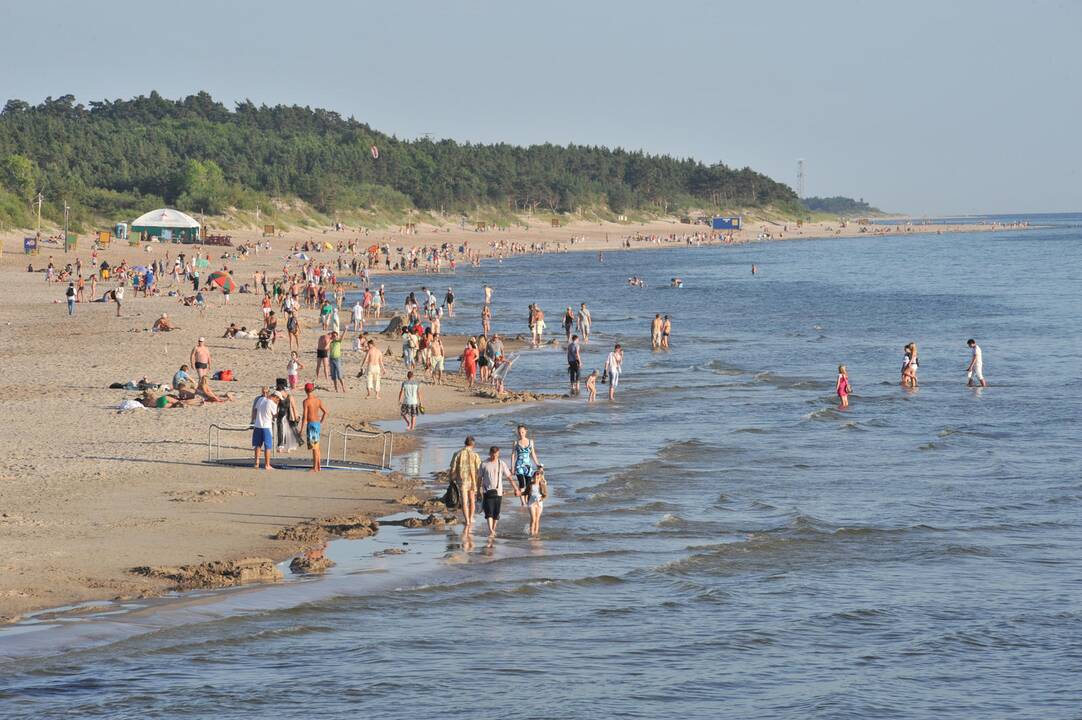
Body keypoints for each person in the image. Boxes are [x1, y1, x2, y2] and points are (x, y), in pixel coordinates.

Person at [479, 446, 518, 538]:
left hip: (499, 492)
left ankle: (493, 530)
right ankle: (491, 531)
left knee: (496, 514)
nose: (494, 457)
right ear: (489, 454)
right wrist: (477, 491)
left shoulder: (502, 463)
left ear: (498, 454)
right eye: (493, 455)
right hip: (487, 491)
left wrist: (516, 488)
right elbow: (479, 478)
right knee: (488, 512)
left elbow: (509, 477)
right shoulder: (484, 464)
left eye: (496, 455)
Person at [449, 436, 482, 533]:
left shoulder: (457, 454)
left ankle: (467, 520)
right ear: (473, 445)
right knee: (472, 500)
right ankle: (471, 518)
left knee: (464, 501)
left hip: (462, 480)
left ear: (465, 443)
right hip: (472, 480)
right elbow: (479, 469)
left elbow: (453, 468)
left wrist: (451, 479)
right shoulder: (475, 455)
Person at [301, 382, 328, 471]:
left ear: (305, 390)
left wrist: (301, 430)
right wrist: (321, 422)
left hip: (311, 425)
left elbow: (304, 417)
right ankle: (318, 466)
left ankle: (315, 467)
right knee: (317, 447)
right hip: (317, 424)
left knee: (314, 448)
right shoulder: (318, 400)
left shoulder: (306, 402)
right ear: (313, 390)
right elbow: (325, 412)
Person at [512, 424, 540, 507]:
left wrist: (537, 464)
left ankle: (527, 500)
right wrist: (512, 467)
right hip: (519, 465)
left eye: (522, 432)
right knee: (521, 483)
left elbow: (533, 454)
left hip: (528, 466)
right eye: (519, 432)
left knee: (528, 484)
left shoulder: (531, 442)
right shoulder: (516, 442)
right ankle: (523, 502)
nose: (521, 433)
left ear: (526, 431)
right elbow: (513, 455)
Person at [251, 387, 278, 470]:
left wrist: (254, 419)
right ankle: (267, 464)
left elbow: (255, 411)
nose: (265, 393)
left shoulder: (260, 400)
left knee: (258, 445)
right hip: (265, 426)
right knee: (267, 446)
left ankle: (257, 463)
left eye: (266, 392)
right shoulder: (271, 403)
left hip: (258, 425)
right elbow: (275, 415)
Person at [527, 465, 548, 536]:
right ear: (533, 477)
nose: (536, 478)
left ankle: (536, 533)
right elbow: (525, 492)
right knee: (533, 519)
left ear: (540, 478)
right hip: (531, 503)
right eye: (535, 477)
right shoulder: (530, 485)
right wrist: (518, 493)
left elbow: (545, 495)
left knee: (537, 519)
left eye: (538, 477)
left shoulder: (542, 485)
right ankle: (531, 533)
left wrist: (541, 499)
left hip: (539, 503)